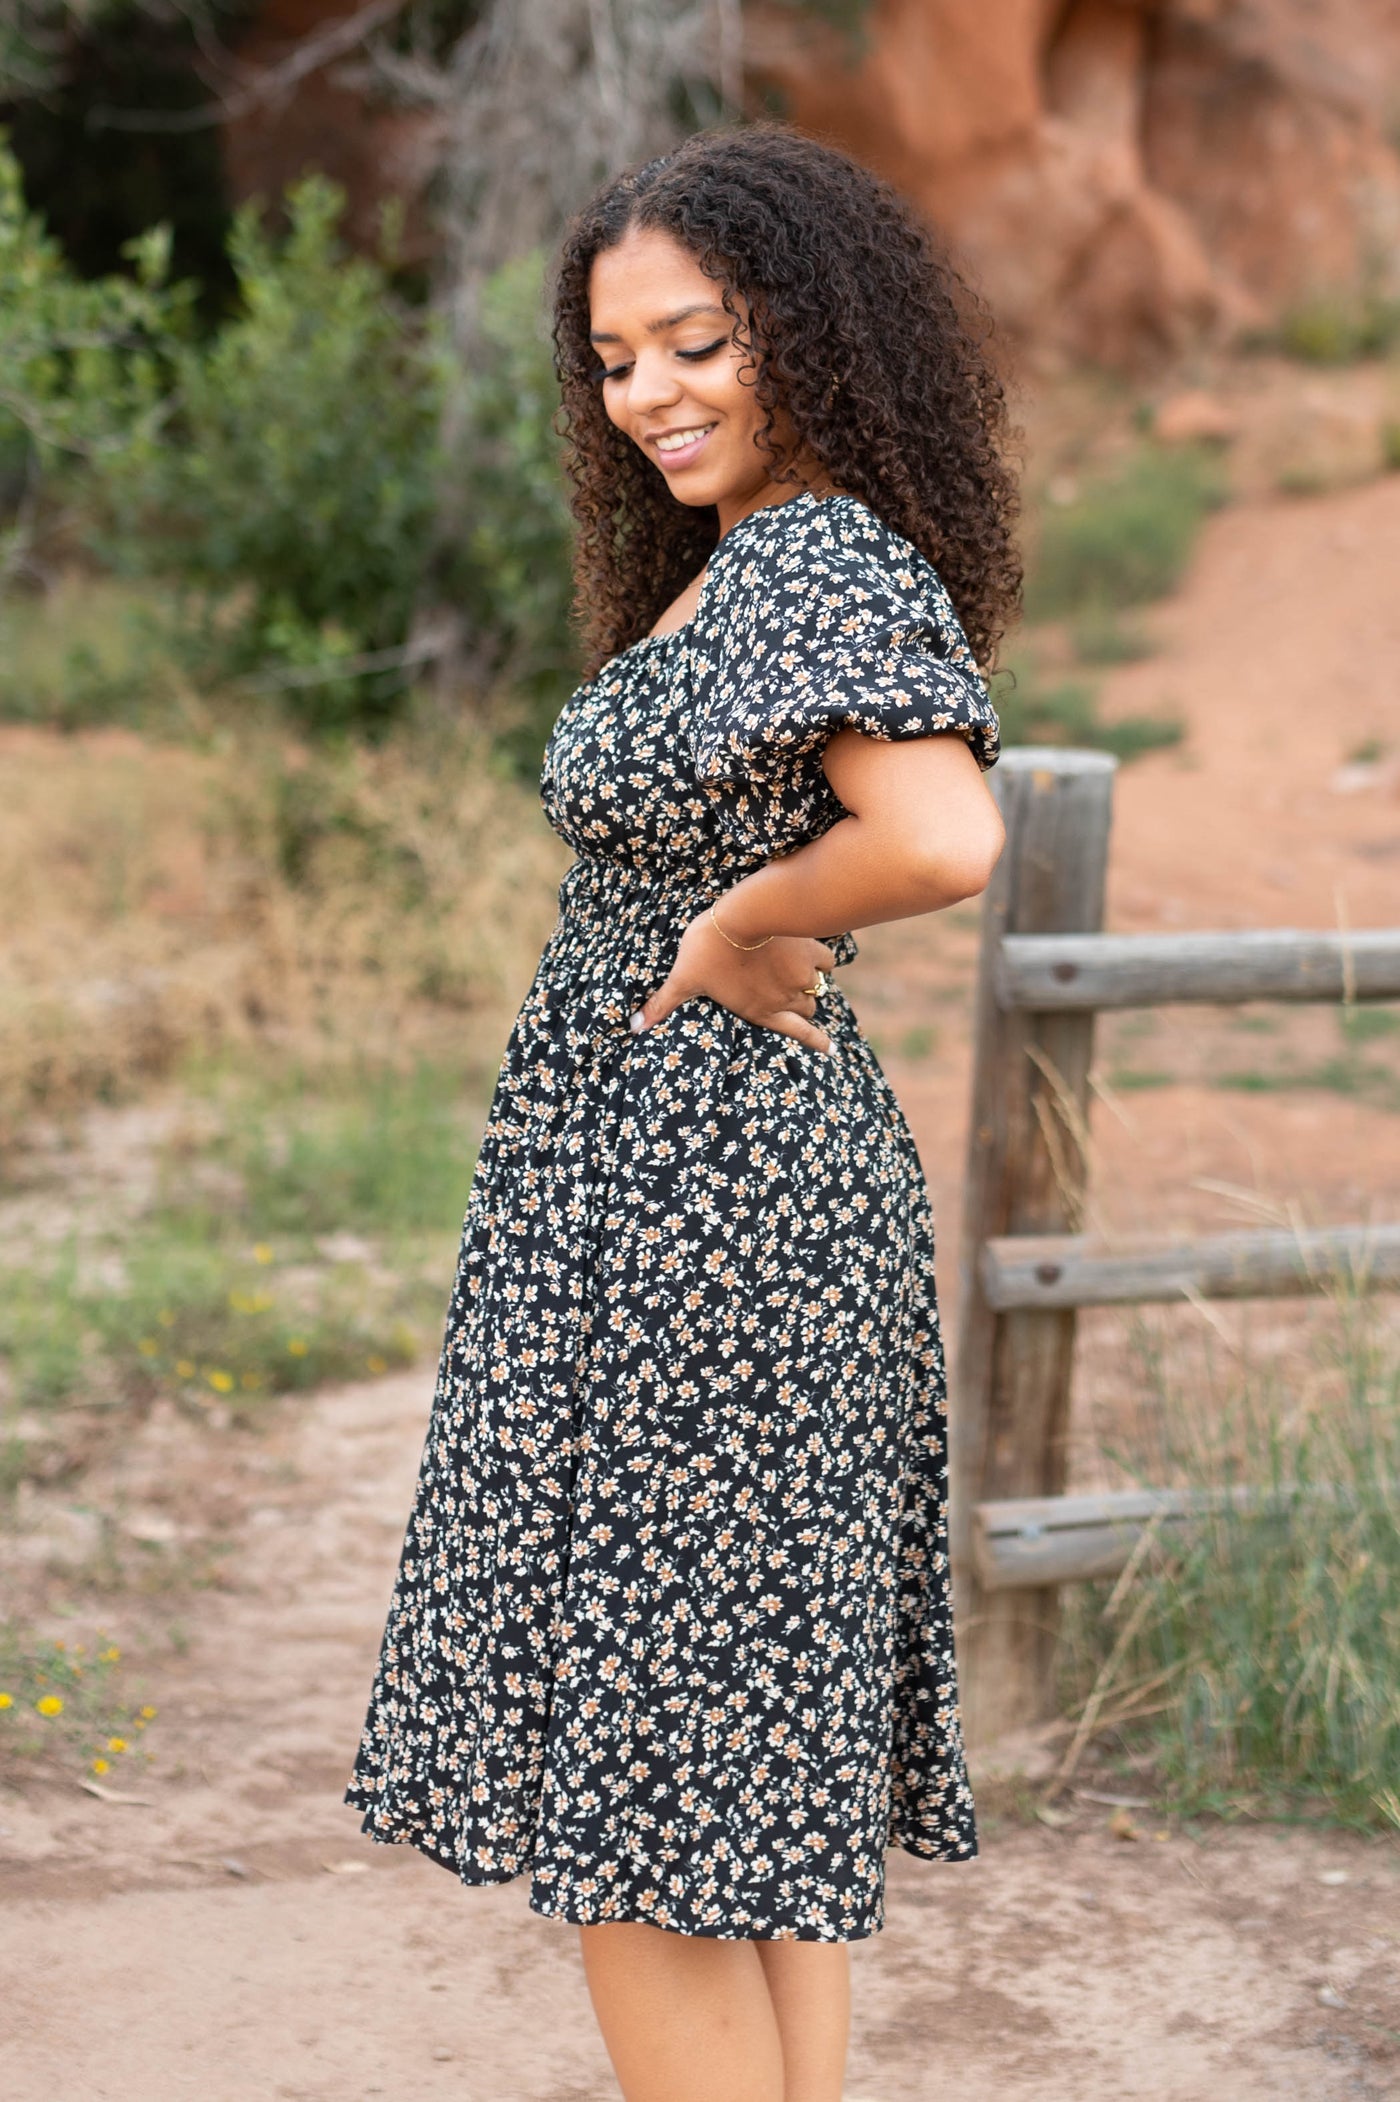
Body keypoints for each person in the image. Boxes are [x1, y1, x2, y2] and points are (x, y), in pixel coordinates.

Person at [347, 123, 1020, 2102]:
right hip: (686, 1202)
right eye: (617, 360)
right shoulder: (771, 556)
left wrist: (743, 909)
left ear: (806, 331)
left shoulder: (812, 553)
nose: (649, 394)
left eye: (695, 342)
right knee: (730, 1795)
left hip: (706, 1226)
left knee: (642, 1802)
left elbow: (943, 831)